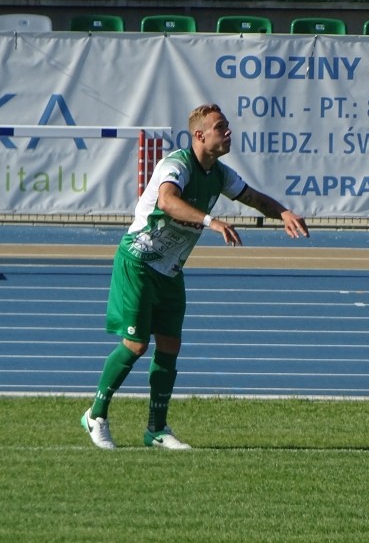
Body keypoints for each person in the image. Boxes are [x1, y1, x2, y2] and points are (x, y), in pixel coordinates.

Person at [81, 103, 310, 450]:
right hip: (138, 262)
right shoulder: (176, 165)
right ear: (200, 135)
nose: (228, 132)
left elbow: (252, 197)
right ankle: (95, 415)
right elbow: (167, 201)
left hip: (170, 270)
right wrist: (210, 221)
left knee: (170, 345)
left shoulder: (220, 174)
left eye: (227, 126)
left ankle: (156, 429)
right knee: (137, 345)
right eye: (220, 127)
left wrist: (283, 212)